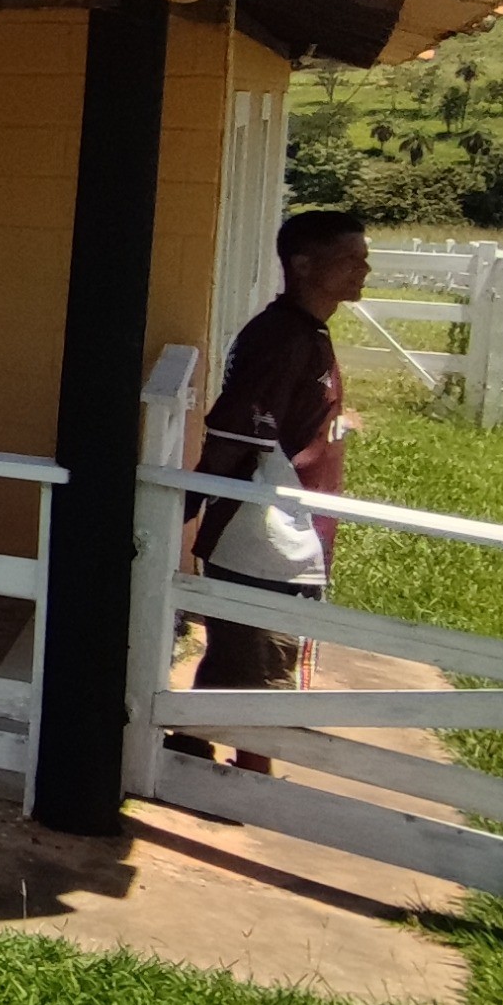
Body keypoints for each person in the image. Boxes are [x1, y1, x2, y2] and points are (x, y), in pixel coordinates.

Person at [171, 209, 370, 773]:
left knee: (238, 656)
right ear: (304, 264)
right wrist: (182, 510)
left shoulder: (306, 334)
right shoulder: (282, 339)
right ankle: (251, 787)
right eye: (351, 258)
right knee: (266, 673)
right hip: (267, 537)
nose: (365, 269)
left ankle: (187, 743)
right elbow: (232, 435)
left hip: (280, 531)